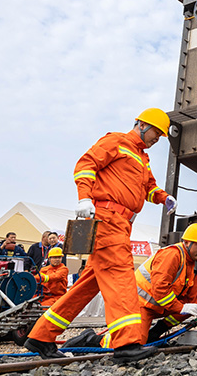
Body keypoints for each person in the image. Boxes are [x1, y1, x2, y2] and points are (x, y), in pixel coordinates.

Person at [25, 108, 177, 362]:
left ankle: (41, 336)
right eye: (156, 133)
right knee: (121, 277)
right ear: (141, 125)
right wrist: (84, 196)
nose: (157, 139)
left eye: (161, 136)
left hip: (121, 223)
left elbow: (148, 187)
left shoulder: (142, 158)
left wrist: (163, 197)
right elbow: (86, 164)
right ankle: (127, 343)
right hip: (107, 220)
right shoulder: (116, 141)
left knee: (86, 286)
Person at [64, 223, 197, 349]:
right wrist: (181, 308)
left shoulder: (193, 265)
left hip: (159, 306)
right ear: (187, 242)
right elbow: (160, 290)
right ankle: (92, 340)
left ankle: (156, 333)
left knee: (192, 307)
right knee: (133, 343)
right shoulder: (172, 256)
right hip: (140, 305)